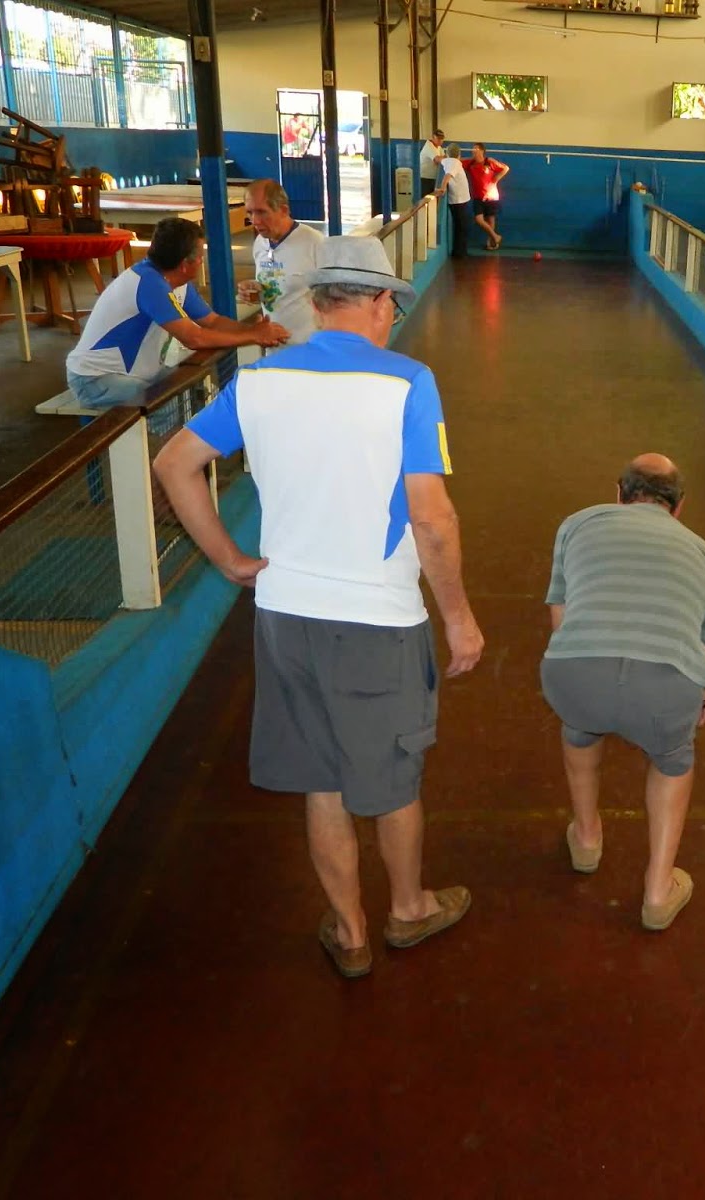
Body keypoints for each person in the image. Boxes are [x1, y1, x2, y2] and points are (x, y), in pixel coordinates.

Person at [152, 236, 484, 978]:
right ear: (376, 302)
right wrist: (458, 615)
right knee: (392, 779)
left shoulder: (260, 381)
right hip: (380, 619)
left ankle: (350, 930)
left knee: (322, 779)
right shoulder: (409, 383)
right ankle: (408, 910)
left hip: (287, 613)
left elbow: (175, 465)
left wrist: (232, 560)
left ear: (317, 302)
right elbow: (431, 518)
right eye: (390, 304)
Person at [540, 455, 705, 932]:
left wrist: (579, 672)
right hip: (665, 687)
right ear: (679, 507)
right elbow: (695, 645)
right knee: (673, 758)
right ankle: (658, 892)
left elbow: (561, 616)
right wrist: (697, 694)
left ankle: (586, 840)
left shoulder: (577, 526)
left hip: (575, 674)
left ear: (618, 493)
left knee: (578, 728)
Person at [66, 217, 287, 409]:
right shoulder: (149, 284)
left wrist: (253, 330)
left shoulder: (175, 280)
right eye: (200, 255)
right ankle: (162, 456)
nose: (202, 260)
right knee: (163, 404)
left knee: (191, 392)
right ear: (185, 264)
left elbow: (211, 321)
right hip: (94, 379)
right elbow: (194, 337)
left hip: (132, 374)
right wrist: (254, 336)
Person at [238, 179, 325, 346]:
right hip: (275, 349)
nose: (255, 221)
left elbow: (335, 298)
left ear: (283, 210)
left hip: (309, 349)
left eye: (262, 212)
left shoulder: (314, 243)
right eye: (249, 213)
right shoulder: (260, 243)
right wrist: (257, 290)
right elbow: (279, 286)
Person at [463, 142, 510, 251]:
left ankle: (491, 243)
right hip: (477, 196)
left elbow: (505, 168)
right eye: (472, 149)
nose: (473, 151)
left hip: (491, 196)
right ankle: (495, 236)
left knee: (491, 220)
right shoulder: (470, 163)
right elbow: (457, 162)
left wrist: (496, 179)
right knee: (478, 219)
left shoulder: (489, 162)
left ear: (482, 151)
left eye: (475, 149)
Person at [435, 143, 472, 259]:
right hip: (459, 200)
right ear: (459, 154)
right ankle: (460, 253)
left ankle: (459, 251)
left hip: (459, 199)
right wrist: (443, 188)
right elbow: (447, 176)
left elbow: (438, 159)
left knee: (460, 227)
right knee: (462, 227)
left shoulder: (447, 161)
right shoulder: (455, 163)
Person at [418, 128, 445, 201]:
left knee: (431, 201)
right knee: (425, 201)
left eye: (442, 139)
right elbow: (437, 159)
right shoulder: (429, 146)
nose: (440, 141)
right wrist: (447, 157)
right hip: (425, 179)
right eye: (438, 138)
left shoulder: (438, 147)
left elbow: (445, 158)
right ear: (433, 137)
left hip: (432, 179)